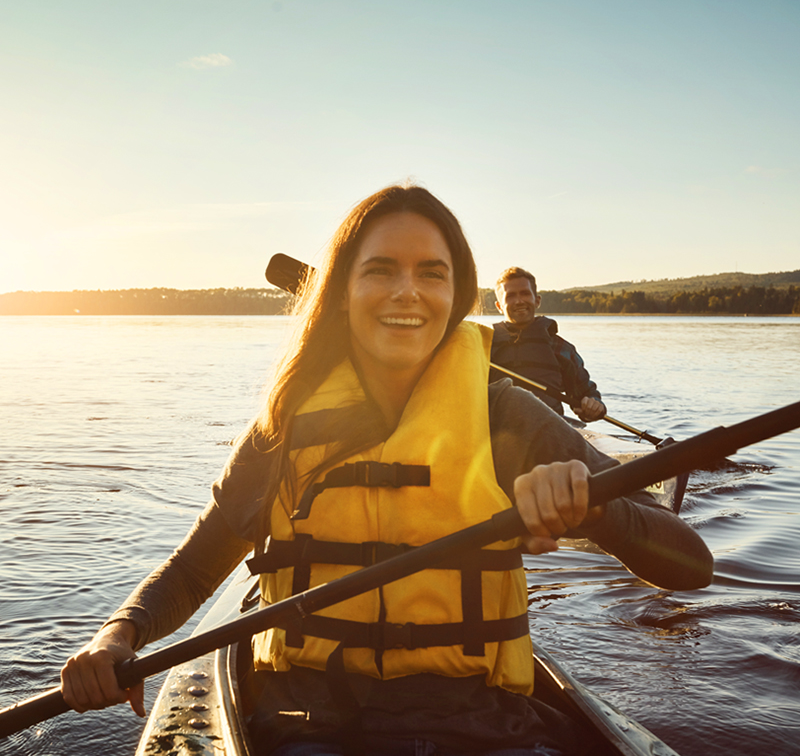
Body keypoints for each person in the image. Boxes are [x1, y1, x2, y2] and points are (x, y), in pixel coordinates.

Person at [61, 185, 713, 756]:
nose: (407, 290)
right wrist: (119, 634)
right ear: (342, 292)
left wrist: (596, 509)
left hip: (486, 733)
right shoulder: (286, 422)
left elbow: (691, 566)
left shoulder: (506, 415)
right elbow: (194, 568)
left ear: (456, 294)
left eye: (432, 272)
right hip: (306, 729)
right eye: (380, 270)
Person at [490, 267, 606, 422]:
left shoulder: (561, 348)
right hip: (498, 431)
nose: (519, 301)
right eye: (510, 296)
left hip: (548, 432)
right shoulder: (484, 344)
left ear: (537, 300)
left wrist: (594, 406)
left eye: (525, 293)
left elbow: (586, 394)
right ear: (499, 306)